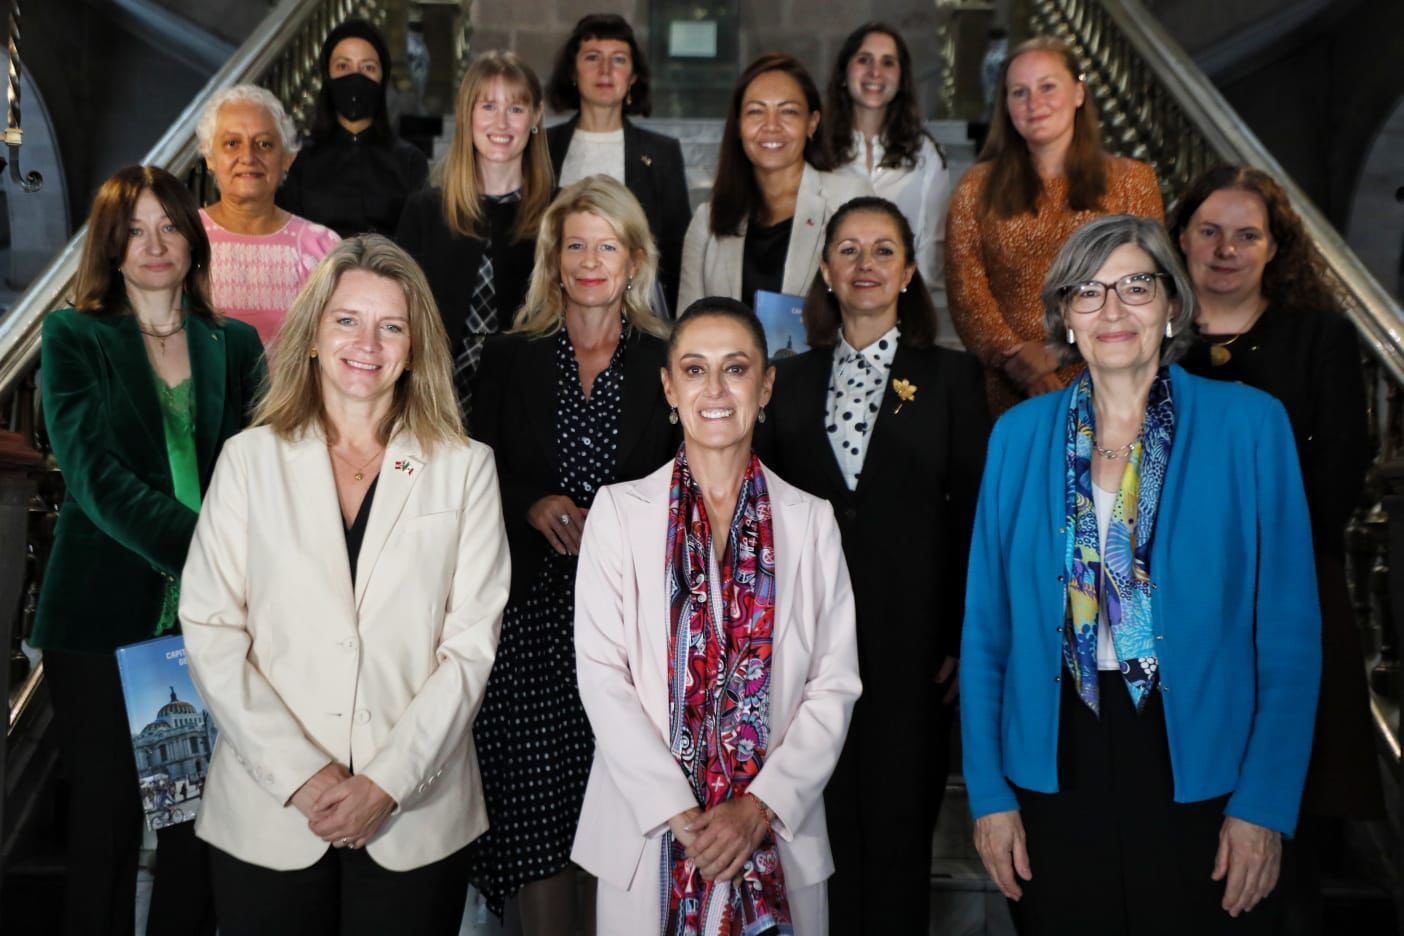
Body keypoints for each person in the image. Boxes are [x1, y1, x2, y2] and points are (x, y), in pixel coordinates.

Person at [961, 214, 1321, 934]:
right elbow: (986, 633)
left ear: (1172, 304)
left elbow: (1289, 636)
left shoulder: (1251, 426)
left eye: (1135, 286)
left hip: (1201, 757)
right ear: (1065, 316)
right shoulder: (1017, 437)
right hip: (1053, 755)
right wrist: (989, 796)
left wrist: (1264, 803)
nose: (1113, 310)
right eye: (1088, 292)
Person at [179, 236, 511, 935]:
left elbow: (471, 648)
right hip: (269, 813)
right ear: (311, 335)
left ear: (414, 349)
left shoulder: (466, 468)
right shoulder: (248, 461)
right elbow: (210, 630)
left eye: (391, 326)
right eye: (347, 320)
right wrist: (300, 775)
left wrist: (387, 781)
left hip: (415, 818)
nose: (368, 344)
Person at [572, 297, 863, 934]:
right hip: (649, 837)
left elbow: (834, 684)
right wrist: (683, 816)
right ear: (669, 387)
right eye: (695, 369)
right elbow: (602, 677)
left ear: (766, 385)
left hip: (776, 836)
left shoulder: (812, 521)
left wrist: (758, 809)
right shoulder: (617, 513)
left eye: (735, 369)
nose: (715, 389)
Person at [34, 165, 265, 936]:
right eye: (134, 229)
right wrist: (210, 548)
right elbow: (94, 478)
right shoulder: (73, 336)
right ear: (110, 245)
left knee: (189, 826)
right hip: (99, 619)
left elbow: (257, 471)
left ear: (193, 238)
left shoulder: (233, 343)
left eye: (169, 225)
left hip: (199, 627)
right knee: (103, 826)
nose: (154, 243)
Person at [757, 196, 988, 932]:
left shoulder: (952, 379)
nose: (866, 265)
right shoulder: (786, 380)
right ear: (825, 271)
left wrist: (959, 633)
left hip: (913, 648)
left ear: (910, 271)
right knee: (809, 838)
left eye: (883, 250)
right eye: (848, 250)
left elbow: (973, 515)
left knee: (897, 837)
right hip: (804, 650)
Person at [1171, 165, 1384, 926]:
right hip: (1174, 604)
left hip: (1289, 594)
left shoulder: (1320, 337)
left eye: (1247, 235)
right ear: (1181, 239)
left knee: (1287, 829)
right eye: (1209, 231)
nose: (1225, 250)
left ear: (1274, 248)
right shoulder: (1149, 335)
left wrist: (1256, 561)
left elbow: (1340, 470)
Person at [466, 175, 676, 934]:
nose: (591, 262)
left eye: (607, 247)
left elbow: (692, 484)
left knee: (616, 819)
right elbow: (473, 470)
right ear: (554, 259)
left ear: (634, 260)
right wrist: (530, 501)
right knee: (536, 824)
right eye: (576, 246)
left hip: (629, 632)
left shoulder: (668, 361)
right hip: (528, 627)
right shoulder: (507, 356)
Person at [945, 37, 1163, 416]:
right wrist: (1016, 358)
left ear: (1078, 93)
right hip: (1007, 388)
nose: (1034, 103)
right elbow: (966, 290)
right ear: (1006, 105)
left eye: (1048, 87)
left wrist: (1058, 353)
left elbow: (1146, 287)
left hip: (1109, 378)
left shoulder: (1133, 181)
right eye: (1019, 92)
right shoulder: (975, 187)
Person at [396, 50, 551, 409]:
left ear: (536, 116)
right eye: (488, 107)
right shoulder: (424, 211)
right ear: (466, 114)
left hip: (528, 403)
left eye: (515, 108)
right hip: (435, 402)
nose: (501, 123)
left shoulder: (558, 215)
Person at [679, 53, 872, 312]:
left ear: (812, 123)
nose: (771, 126)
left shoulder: (848, 200)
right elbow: (688, 325)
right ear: (738, 125)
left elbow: (872, 309)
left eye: (788, 111)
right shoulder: (707, 221)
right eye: (756, 112)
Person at [545, 13, 691, 316]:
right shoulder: (543, 147)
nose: (605, 70)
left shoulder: (662, 153)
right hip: (552, 311)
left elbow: (676, 252)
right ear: (573, 71)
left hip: (639, 316)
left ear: (633, 76)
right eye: (593, 57)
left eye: (619, 59)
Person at [821, 23, 954, 343]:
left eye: (888, 62)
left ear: (901, 78)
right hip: (824, 311)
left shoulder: (925, 154)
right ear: (844, 72)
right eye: (864, 60)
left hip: (901, 315)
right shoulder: (817, 148)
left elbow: (932, 245)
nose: (875, 72)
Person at [196, 84, 341, 344]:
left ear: (287, 158)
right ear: (210, 156)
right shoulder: (181, 238)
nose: (248, 157)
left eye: (264, 144)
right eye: (232, 143)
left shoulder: (322, 247)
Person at [278, 18, 430, 238]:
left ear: (383, 78)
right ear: (327, 75)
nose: (356, 76)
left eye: (368, 67)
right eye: (343, 66)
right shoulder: (299, 159)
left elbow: (418, 240)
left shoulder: (410, 161)